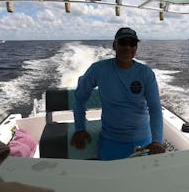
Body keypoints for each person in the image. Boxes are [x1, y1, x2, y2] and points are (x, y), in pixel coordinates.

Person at [71, 27, 166, 160]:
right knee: (110, 179)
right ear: (114, 45)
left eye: (132, 43)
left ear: (136, 47)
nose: (127, 47)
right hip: (111, 140)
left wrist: (157, 141)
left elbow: (155, 109)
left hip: (144, 139)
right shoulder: (98, 69)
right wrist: (80, 128)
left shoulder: (146, 73)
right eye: (122, 43)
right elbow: (80, 97)